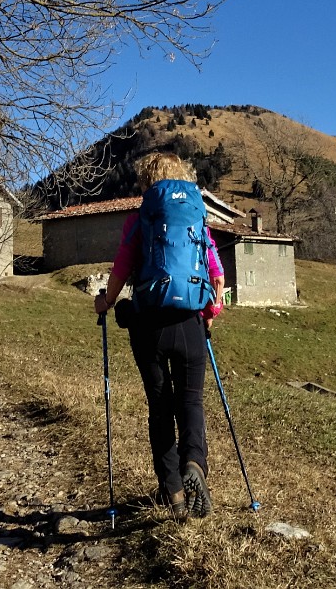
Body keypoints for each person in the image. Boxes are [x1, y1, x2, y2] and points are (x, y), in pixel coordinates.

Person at [94, 152, 226, 519]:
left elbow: (121, 267)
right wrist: (211, 314)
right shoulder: (198, 218)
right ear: (182, 178)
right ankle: (195, 464)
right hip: (190, 325)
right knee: (191, 403)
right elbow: (216, 276)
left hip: (148, 325)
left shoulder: (139, 219)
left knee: (160, 407)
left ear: (145, 183)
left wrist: (105, 301)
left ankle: (174, 495)